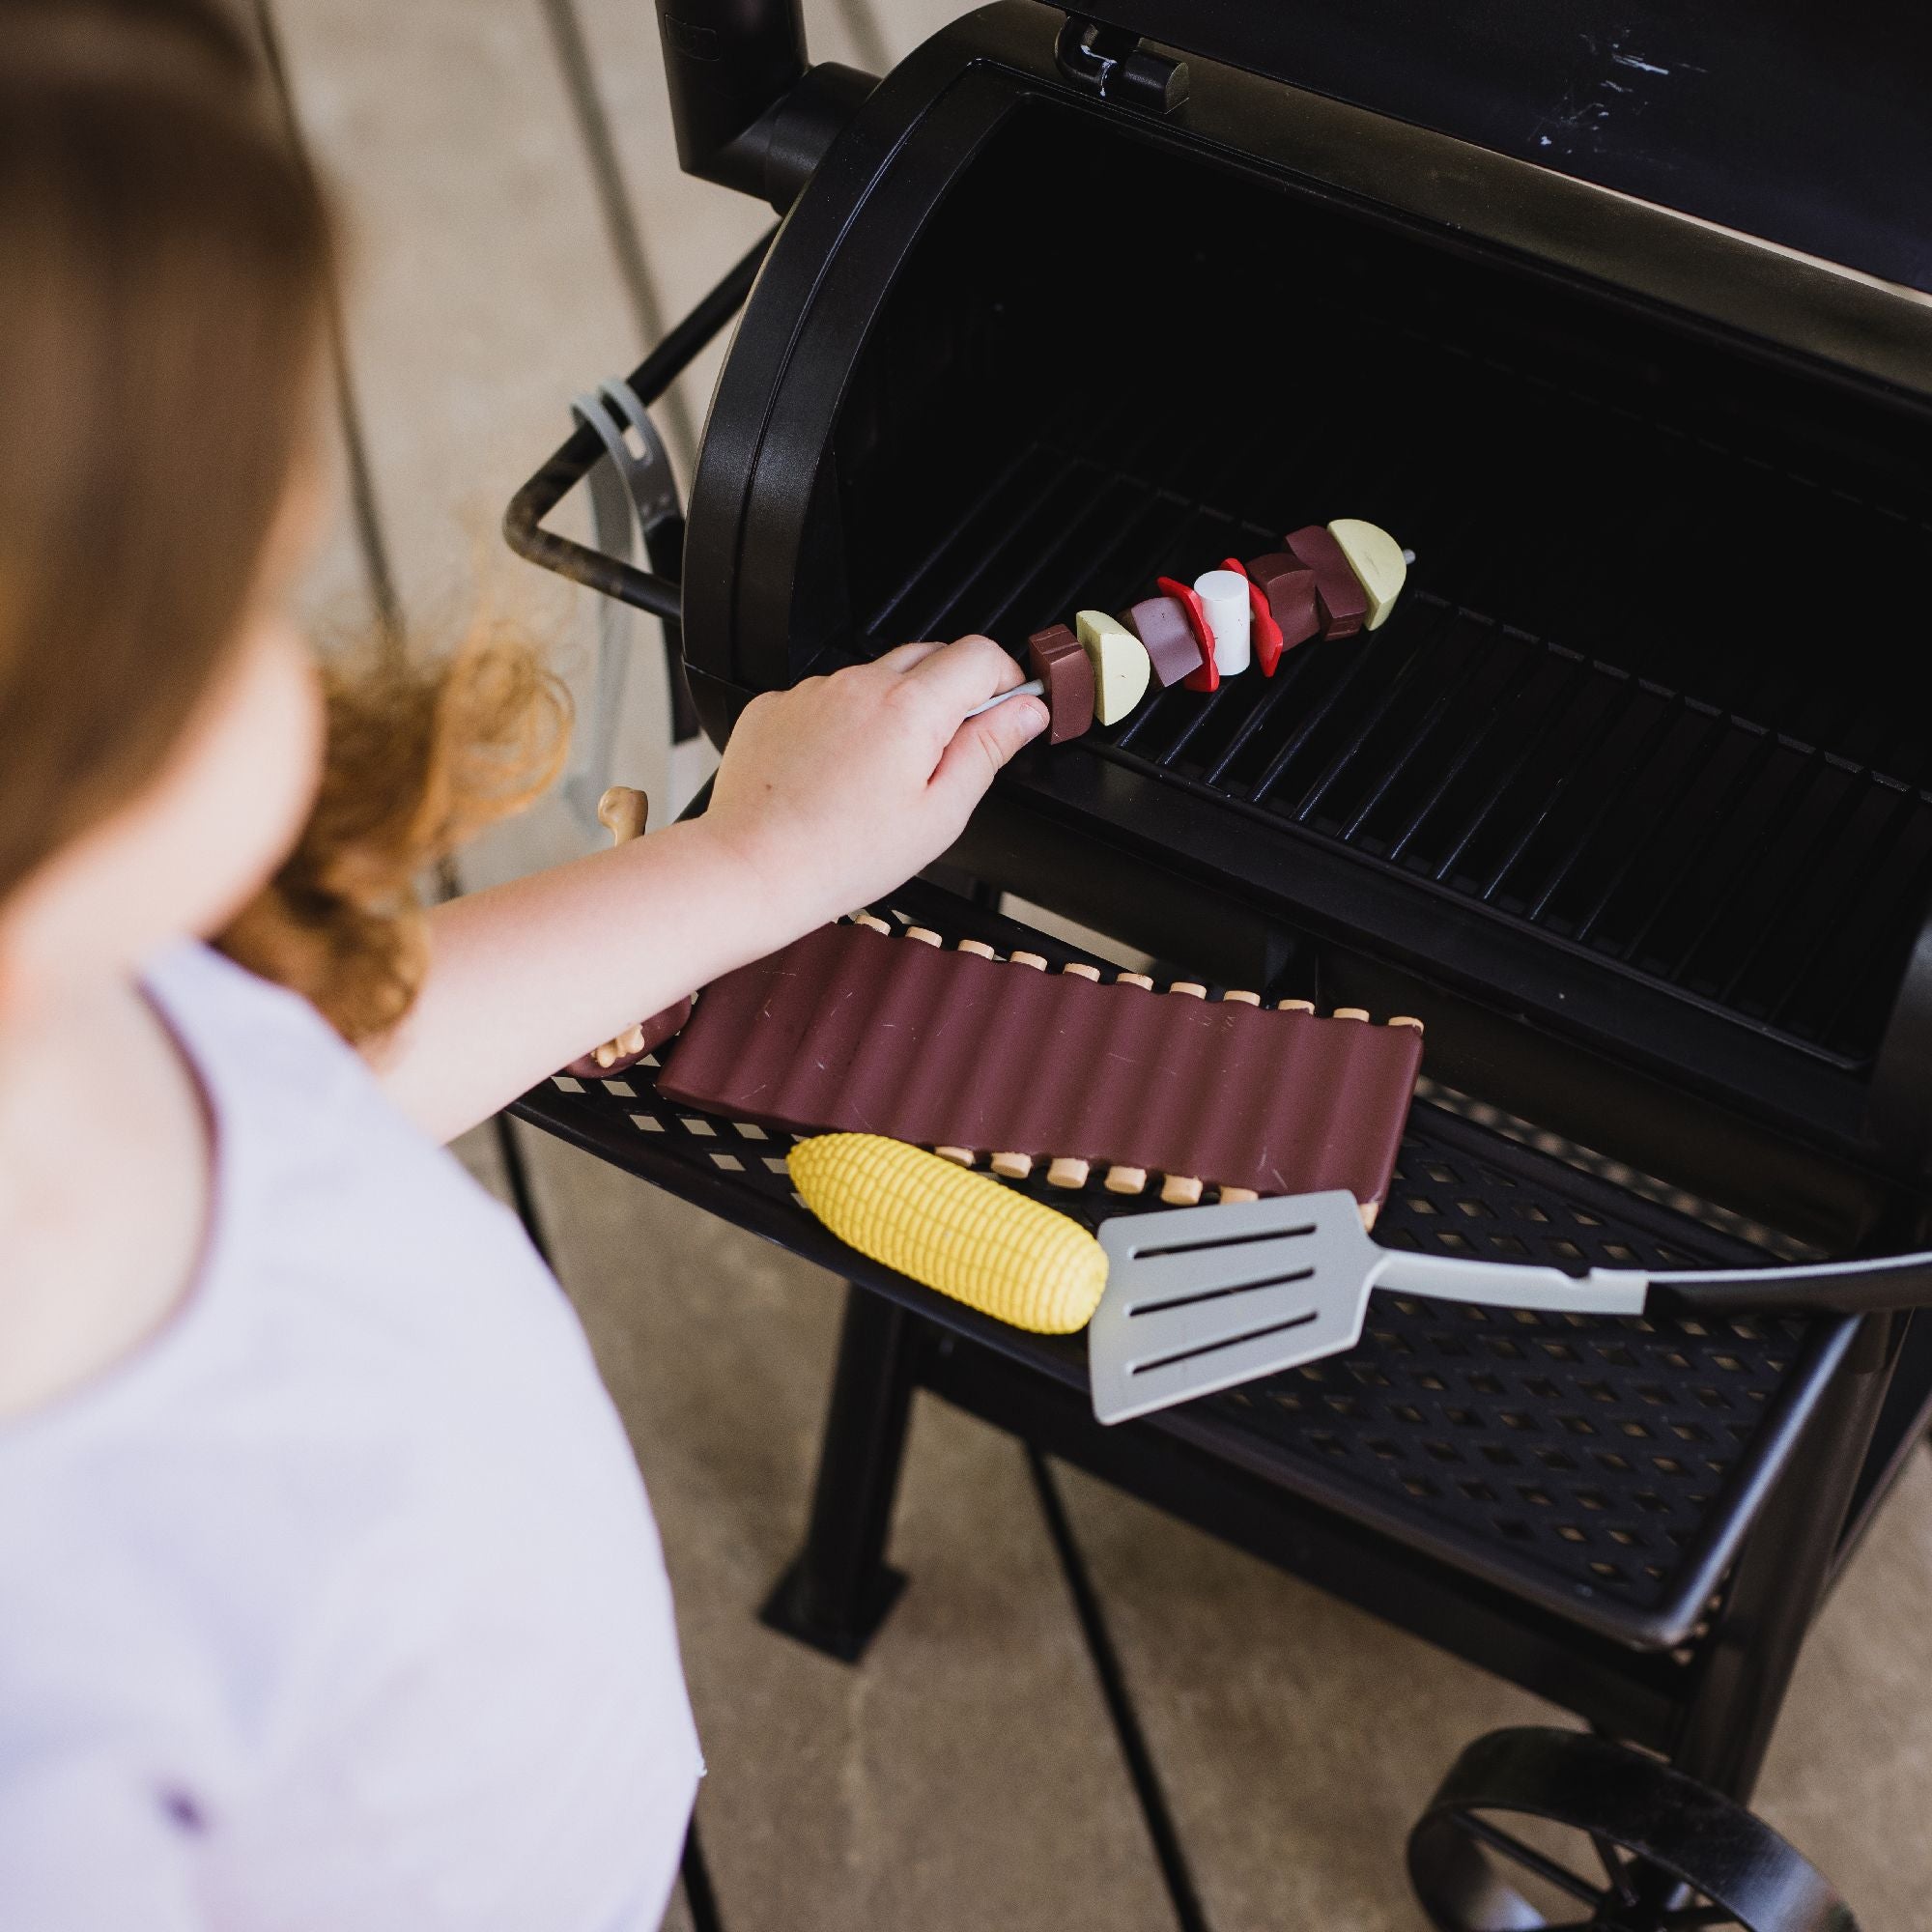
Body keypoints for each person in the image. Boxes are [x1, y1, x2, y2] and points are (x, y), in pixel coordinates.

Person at [0, 2, 1048, 1926]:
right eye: (240, 609)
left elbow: (314, 1084)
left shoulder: (77, 1002)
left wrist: (757, 866)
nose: (294, 662)